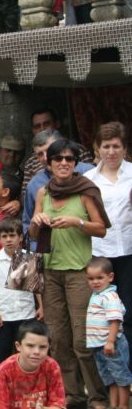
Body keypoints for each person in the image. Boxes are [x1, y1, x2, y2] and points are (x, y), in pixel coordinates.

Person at [29, 139, 110, 409]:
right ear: (49, 164)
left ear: (75, 164)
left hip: (78, 273)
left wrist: (78, 222)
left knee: (83, 340)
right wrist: (36, 222)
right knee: (59, 339)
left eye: (69, 159)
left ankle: (98, 396)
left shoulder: (85, 191)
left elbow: (101, 228)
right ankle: (73, 396)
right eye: (58, 159)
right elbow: (31, 234)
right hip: (50, 273)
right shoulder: (43, 193)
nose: (63, 163)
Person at [84, 122, 132, 360]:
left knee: (129, 310)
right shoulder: (88, 179)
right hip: (100, 252)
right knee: (101, 310)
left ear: (124, 148)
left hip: (129, 250)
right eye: (106, 146)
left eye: (116, 146)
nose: (111, 152)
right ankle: (107, 366)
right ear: (97, 148)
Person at [0, 217, 43, 377]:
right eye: (4, 236)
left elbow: (36, 286)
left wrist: (41, 306)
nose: (9, 240)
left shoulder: (28, 257)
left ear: (20, 237)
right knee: (0, 354)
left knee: (24, 351)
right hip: (3, 313)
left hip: (25, 313)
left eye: (12, 235)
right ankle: (3, 385)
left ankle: (24, 382)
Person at [85, 256, 132, 409]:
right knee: (110, 379)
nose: (95, 282)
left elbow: (115, 320)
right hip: (100, 346)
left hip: (112, 345)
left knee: (121, 377)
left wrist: (110, 341)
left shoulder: (110, 296)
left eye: (100, 277)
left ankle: (123, 405)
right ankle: (113, 405)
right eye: (91, 278)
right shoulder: (96, 295)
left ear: (110, 277)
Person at [0, 320, 66, 409]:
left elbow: (59, 405)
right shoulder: (5, 370)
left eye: (42, 347)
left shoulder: (52, 366)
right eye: (30, 346)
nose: (36, 352)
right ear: (18, 346)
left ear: (49, 347)